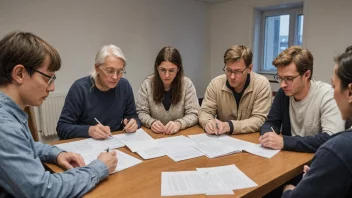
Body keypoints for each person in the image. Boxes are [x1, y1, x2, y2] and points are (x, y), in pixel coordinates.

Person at [0, 31, 117, 197]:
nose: (52, 87)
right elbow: (43, 191)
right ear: (19, 74)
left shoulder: (9, 114)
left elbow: (25, 146)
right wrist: (99, 167)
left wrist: (57, 153)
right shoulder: (4, 125)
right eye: (49, 78)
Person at [282, 47, 352, 197]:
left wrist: (288, 191)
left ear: (350, 93)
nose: (333, 93)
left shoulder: (336, 150)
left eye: (334, 86)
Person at [259, 46, 345, 152]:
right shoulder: (284, 93)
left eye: (289, 79)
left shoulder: (327, 95)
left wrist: (285, 142)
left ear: (306, 75)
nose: (282, 85)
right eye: (280, 78)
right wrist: (267, 136)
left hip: (313, 161)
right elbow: (271, 122)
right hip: (289, 157)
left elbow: (331, 139)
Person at [57, 44, 141, 140]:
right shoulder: (80, 88)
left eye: (120, 71)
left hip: (114, 142)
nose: (115, 77)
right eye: (110, 71)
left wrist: (134, 123)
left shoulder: (124, 86)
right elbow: (62, 128)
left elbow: (133, 116)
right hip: (87, 145)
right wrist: (89, 130)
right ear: (97, 68)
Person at [198, 45, 272, 135]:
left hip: (251, 139)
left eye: (238, 71)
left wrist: (230, 126)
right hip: (223, 139)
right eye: (228, 70)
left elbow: (260, 119)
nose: (232, 77)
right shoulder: (215, 84)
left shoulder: (261, 84)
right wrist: (208, 122)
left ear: (249, 68)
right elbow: (205, 111)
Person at [136, 46, 199, 134]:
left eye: (171, 70)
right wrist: (151, 122)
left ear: (178, 68)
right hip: (154, 136)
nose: (166, 75)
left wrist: (179, 124)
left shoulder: (187, 84)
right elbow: (141, 112)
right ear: (157, 67)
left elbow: (194, 113)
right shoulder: (147, 84)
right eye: (163, 70)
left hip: (179, 135)